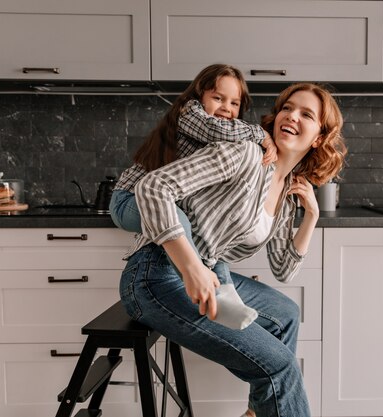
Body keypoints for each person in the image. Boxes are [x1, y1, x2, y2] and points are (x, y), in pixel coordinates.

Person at [120, 82, 347, 417]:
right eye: (287, 107)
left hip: (202, 272)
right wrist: (192, 268)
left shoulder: (286, 190)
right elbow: (152, 187)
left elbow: (285, 268)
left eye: (306, 114)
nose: (292, 116)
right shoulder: (245, 153)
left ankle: (258, 411)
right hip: (155, 276)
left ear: (318, 137)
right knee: (280, 366)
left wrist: (310, 216)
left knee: (285, 313)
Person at [110, 64, 277, 330]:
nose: (227, 108)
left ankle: (226, 293)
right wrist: (260, 134)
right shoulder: (190, 113)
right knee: (179, 220)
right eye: (218, 98)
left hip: (159, 198)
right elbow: (213, 130)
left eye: (234, 103)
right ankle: (197, 280)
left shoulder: (230, 134)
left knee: (210, 239)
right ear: (198, 96)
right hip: (129, 199)